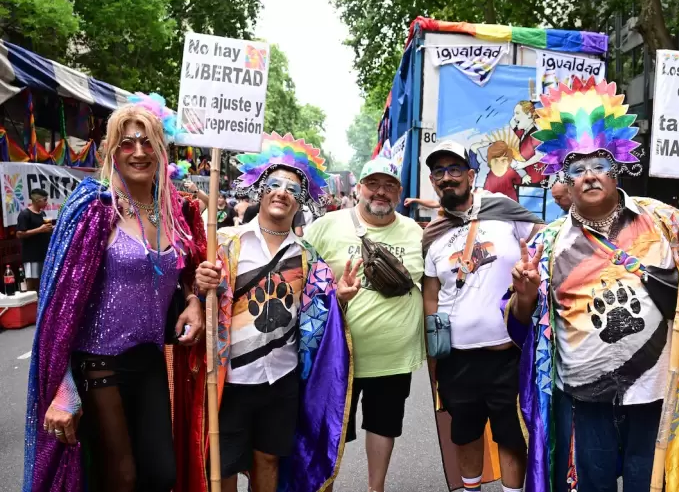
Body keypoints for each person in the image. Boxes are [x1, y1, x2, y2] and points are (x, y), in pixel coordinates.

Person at [503, 77, 679, 492]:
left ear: (617, 168)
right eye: (577, 167)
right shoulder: (547, 242)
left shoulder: (663, 220)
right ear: (564, 179)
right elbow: (521, 322)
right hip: (585, 399)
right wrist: (526, 293)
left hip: (656, 393)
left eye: (600, 164)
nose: (589, 175)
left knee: (650, 485)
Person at [23, 94, 209, 492]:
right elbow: (57, 307)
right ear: (112, 150)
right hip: (98, 365)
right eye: (127, 142)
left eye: (147, 142)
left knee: (161, 474)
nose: (138, 151)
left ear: (161, 148)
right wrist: (62, 386)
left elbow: (191, 273)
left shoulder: (176, 212)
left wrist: (194, 301)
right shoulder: (93, 208)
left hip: (150, 362)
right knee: (120, 477)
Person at [195, 134, 357, 492]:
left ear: (302, 201)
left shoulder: (308, 256)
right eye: (274, 184)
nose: (282, 192)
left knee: (268, 461)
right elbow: (198, 299)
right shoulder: (224, 243)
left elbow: (320, 318)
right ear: (260, 190)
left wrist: (339, 298)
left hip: (281, 379)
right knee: (223, 464)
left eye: (292, 188)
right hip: (230, 379)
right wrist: (200, 284)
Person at [421, 140, 544, 492]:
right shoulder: (434, 234)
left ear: (472, 175)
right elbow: (431, 295)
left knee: (511, 435)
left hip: (507, 353)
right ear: (433, 181)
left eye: (455, 169)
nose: (448, 178)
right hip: (456, 358)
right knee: (465, 435)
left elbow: (543, 242)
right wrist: (434, 354)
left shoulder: (503, 208)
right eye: (440, 172)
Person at [304, 158, 425, 492]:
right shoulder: (327, 225)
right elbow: (300, 272)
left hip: (393, 357)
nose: (381, 192)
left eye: (389, 185)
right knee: (330, 427)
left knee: (383, 425)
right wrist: (335, 295)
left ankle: (376, 488)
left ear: (399, 193)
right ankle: (323, 485)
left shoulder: (415, 233)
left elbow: (433, 286)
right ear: (359, 188)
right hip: (337, 353)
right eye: (373, 184)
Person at [16, 188, 53, 291]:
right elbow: (19, 234)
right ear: (37, 200)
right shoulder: (25, 214)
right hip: (32, 254)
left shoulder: (42, 214)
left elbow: (45, 230)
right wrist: (39, 230)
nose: (47, 202)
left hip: (44, 253)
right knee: (32, 282)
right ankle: (30, 304)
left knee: (43, 281)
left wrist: (52, 228)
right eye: (45, 200)